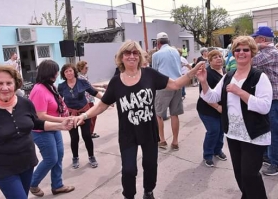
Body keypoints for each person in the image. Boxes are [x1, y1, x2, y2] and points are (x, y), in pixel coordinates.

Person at [73, 40, 205, 199]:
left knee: (150, 165)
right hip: (128, 133)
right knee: (128, 169)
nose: (131, 56)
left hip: (148, 131)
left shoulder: (150, 74)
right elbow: (102, 105)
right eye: (127, 53)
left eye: (135, 53)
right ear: (121, 58)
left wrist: (192, 72)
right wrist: (84, 115)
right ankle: (129, 195)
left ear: (140, 56)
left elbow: (176, 84)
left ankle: (148, 191)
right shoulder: (116, 81)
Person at [0, 65, 74, 199]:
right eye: (0, 83)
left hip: (27, 164)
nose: (5, 88)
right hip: (3, 169)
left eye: (9, 83)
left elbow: (36, 123)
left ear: (15, 85)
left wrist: (61, 125)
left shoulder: (25, 103)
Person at [197, 35, 272, 199]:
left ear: (252, 53)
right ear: (233, 53)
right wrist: (203, 82)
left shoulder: (259, 77)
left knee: (250, 175)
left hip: (254, 134)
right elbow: (211, 97)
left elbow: (265, 106)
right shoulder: (228, 76)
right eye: (237, 50)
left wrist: (240, 92)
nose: (241, 52)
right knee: (240, 175)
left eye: (246, 49)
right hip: (233, 134)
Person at [29, 60, 75, 197]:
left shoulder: (50, 86)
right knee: (51, 158)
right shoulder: (39, 90)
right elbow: (40, 116)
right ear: (49, 73)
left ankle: (57, 185)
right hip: (41, 131)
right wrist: (63, 120)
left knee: (59, 156)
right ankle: (32, 183)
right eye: (55, 71)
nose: (57, 74)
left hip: (54, 128)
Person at [58, 63, 102, 169]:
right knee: (74, 137)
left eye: (70, 70)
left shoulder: (82, 82)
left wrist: (106, 100)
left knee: (86, 135)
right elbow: (59, 101)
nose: (69, 73)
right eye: (66, 71)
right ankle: (75, 157)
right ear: (63, 74)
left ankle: (91, 156)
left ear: (74, 71)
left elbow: (94, 92)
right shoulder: (61, 86)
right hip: (71, 115)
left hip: (84, 112)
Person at [251, 26, 278, 176]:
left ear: (262, 39)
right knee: (269, 130)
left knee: (273, 132)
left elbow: (248, 59)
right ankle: (269, 157)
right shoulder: (269, 52)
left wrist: (255, 47)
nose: (253, 41)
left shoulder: (269, 53)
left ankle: (275, 163)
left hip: (274, 99)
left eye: (255, 38)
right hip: (271, 98)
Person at [152, 32, 183, 151]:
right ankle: (175, 142)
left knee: (158, 114)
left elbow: (154, 72)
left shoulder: (157, 54)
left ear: (158, 43)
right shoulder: (175, 51)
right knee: (174, 114)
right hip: (177, 84)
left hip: (164, 86)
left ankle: (162, 140)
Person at [196, 50, 227, 167]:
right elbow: (204, 94)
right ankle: (208, 155)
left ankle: (217, 150)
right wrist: (217, 106)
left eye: (220, 56)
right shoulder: (207, 73)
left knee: (221, 131)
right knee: (213, 131)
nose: (218, 59)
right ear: (210, 60)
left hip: (221, 109)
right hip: (207, 109)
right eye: (215, 57)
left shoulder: (224, 71)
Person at [76, 60, 105, 139]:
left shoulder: (83, 77)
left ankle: (89, 132)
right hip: (87, 99)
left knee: (91, 116)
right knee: (92, 116)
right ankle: (90, 133)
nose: (87, 69)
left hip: (89, 98)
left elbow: (90, 85)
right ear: (81, 68)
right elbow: (90, 88)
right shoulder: (81, 78)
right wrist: (101, 90)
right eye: (86, 68)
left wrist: (101, 87)